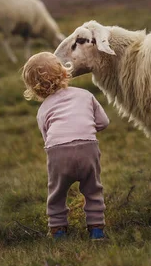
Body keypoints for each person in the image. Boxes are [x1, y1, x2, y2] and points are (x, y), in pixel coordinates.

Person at [22, 52, 109, 240]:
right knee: (93, 189)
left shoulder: (43, 109)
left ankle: (58, 231)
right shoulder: (85, 95)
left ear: (35, 88)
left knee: (57, 193)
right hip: (88, 148)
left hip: (58, 152)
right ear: (64, 72)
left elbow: (47, 137)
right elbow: (103, 122)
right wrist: (85, 130)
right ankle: (96, 231)